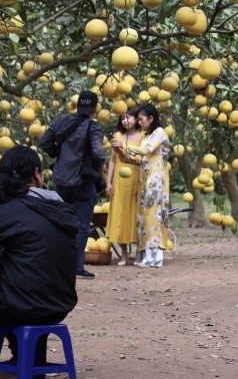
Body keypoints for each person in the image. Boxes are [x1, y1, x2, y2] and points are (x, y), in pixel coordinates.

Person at [0, 146, 79, 379]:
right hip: (59, 305)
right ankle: (29, 357)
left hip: (21, 304)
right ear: (37, 173)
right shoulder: (60, 208)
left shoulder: (6, 211)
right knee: (18, 272)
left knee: (6, 283)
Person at [40, 90, 106, 280]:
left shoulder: (61, 121)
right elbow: (99, 153)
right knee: (82, 226)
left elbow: (44, 141)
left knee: (59, 224)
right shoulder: (94, 127)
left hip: (61, 180)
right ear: (94, 108)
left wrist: (57, 153)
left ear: (78, 105)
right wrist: (97, 164)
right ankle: (76, 268)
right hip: (83, 182)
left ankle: (55, 265)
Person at [112, 104, 169, 268]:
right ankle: (147, 256)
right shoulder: (148, 135)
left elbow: (145, 151)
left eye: (141, 119)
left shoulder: (159, 133)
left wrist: (125, 145)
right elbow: (138, 159)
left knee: (155, 215)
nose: (139, 122)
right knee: (145, 217)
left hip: (157, 179)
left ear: (151, 118)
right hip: (145, 180)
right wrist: (121, 152)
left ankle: (156, 257)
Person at [106, 108, 142, 265]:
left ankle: (139, 253)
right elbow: (113, 160)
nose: (125, 121)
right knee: (121, 215)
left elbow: (142, 159)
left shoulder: (143, 137)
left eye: (128, 117)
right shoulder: (117, 136)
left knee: (135, 214)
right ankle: (124, 254)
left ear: (136, 119)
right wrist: (108, 181)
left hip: (136, 178)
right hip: (119, 181)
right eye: (122, 118)